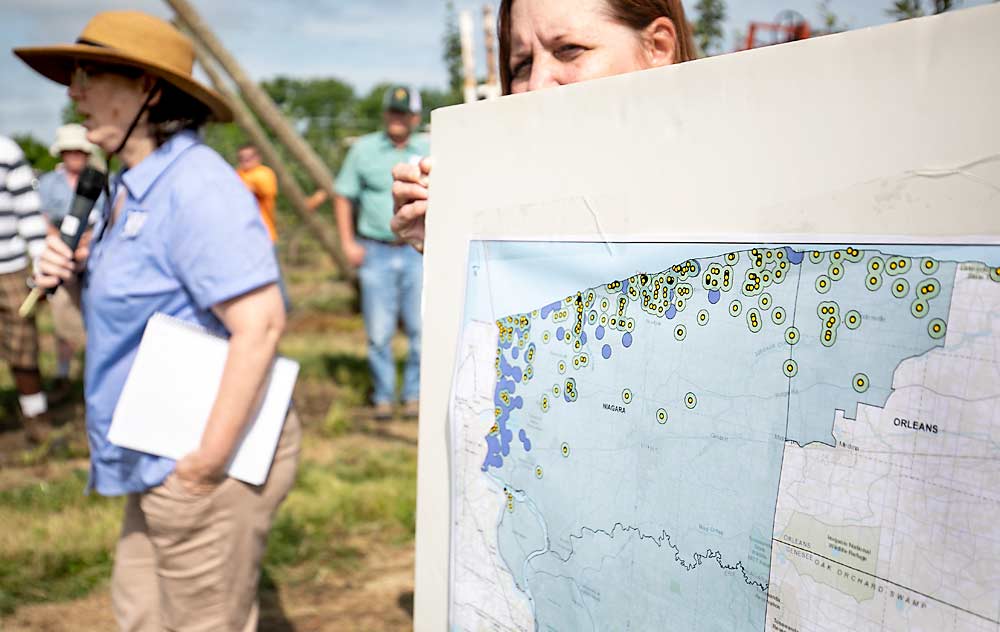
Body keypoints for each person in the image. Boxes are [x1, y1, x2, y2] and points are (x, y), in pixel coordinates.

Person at [15, 11, 299, 631]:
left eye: (89, 74)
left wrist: (201, 468)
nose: (73, 92)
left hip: (203, 464)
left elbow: (262, 324)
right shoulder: (127, 188)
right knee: (141, 614)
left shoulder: (196, 186)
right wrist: (75, 274)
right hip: (157, 455)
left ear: (148, 88)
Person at [391, 0, 696, 251]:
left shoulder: (736, 187)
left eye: (569, 49)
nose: (536, 84)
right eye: (522, 65)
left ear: (657, 47)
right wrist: (450, 245)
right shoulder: (508, 214)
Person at [335, 85, 428, 420]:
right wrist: (347, 243)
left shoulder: (430, 149)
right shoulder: (363, 150)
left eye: (403, 113)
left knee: (422, 328)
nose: (397, 118)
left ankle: (416, 394)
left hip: (418, 251)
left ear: (415, 117)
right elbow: (343, 195)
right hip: (375, 249)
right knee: (378, 331)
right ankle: (384, 396)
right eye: (392, 111)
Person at [37, 123, 103, 396]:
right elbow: (43, 220)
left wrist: (86, 241)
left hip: (95, 258)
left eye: (79, 150)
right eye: (69, 151)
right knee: (64, 319)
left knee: (98, 319)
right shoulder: (48, 184)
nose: (74, 155)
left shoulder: (101, 180)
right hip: (63, 262)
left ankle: (96, 375)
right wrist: (65, 246)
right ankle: (64, 375)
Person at [0, 135, 51, 442]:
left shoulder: (5, 150)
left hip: (11, 268)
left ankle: (36, 419)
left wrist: (41, 262)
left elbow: (29, 211)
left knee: (23, 347)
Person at [235, 143, 290, 309]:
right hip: (242, 236)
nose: (246, 161)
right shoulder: (238, 174)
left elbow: (263, 189)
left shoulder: (264, 174)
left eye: (249, 157)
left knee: (272, 276)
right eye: (242, 158)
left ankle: (283, 308)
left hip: (264, 234)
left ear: (258, 158)